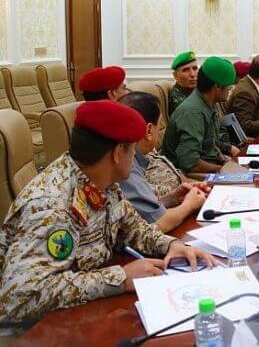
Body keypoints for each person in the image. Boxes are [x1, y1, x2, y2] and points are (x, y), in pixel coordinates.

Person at [0, 100, 215, 327]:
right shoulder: (52, 206)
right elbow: (19, 299)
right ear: (118, 153)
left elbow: (133, 228)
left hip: (82, 314)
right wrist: (119, 278)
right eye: (132, 150)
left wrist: (171, 245)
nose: (135, 158)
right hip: (37, 331)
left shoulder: (102, 181)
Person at [118, 92, 211, 233]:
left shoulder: (133, 158)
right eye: (159, 124)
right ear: (149, 130)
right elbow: (158, 223)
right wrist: (190, 205)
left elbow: (140, 209)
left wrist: (172, 198)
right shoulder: (125, 164)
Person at [162, 57, 239, 174]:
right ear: (217, 86)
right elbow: (190, 163)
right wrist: (223, 170)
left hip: (209, 166)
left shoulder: (207, 103)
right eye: (228, 87)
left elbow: (209, 143)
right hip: (190, 176)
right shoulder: (193, 112)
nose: (229, 91)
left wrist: (224, 160)